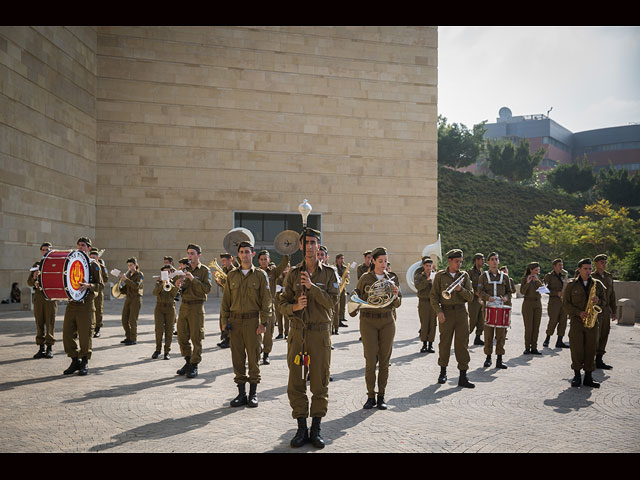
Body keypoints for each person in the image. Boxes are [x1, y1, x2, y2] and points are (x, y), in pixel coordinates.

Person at [278, 228, 338, 449]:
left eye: (314, 242)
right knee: (297, 381)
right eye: (307, 243)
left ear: (319, 246)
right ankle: (301, 427)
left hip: (320, 335)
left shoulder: (329, 273)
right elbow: (281, 303)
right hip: (298, 334)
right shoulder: (293, 273)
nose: (311, 246)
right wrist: (295, 306)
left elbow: (332, 302)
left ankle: (316, 428)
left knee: (320, 382)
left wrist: (312, 288)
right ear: (301, 246)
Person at [220, 241, 272, 408]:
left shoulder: (260, 275)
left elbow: (266, 301)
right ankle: (241, 394)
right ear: (238, 255)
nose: (244, 255)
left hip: (252, 322)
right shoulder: (232, 276)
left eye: (247, 252)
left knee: (254, 358)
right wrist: (224, 321)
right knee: (238, 359)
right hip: (235, 323)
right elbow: (225, 301)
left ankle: (253, 394)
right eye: (241, 252)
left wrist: (263, 322)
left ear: (253, 254)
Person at [352, 247, 401, 410]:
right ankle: (370, 396)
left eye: (385, 261)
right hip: (368, 321)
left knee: (385, 361)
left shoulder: (392, 278)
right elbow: (356, 298)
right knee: (371, 361)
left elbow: (398, 304)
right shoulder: (365, 278)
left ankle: (381, 396)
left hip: (387, 321)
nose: (383, 264)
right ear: (373, 261)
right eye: (380, 261)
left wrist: (395, 294)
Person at [429, 249, 475, 388]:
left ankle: (463, 376)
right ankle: (443, 372)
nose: (459, 264)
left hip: (461, 312)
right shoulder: (440, 276)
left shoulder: (464, 276)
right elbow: (433, 296)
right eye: (457, 261)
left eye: (461, 261)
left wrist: (461, 290)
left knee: (462, 344)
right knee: (444, 343)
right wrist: (439, 312)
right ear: (450, 261)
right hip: (446, 313)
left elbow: (471, 297)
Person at [62, 237, 103, 376]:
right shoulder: (71, 262)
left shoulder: (93, 265)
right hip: (72, 305)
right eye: (78, 245)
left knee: (85, 336)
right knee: (67, 334)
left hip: (86, 306)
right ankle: (74, 360)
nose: (80, 247)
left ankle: (84, 361)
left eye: (83, 245)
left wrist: (89, 286)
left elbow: (100, 285)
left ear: (89, 248)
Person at [563, 258, 606, 388]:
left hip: (592, 322)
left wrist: (598, 301)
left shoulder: (597, 284)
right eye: (585, 269)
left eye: (590, 269)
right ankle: (577, 375)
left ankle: (588, 377)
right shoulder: (571, 285)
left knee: (591, 349)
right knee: (577, 349)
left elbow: (605, 301)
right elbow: (565, 304)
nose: (588, 271)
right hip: (577, 321)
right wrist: (578, 312)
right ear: (579, 269)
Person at [175, 244, 212, 379]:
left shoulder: (204, 271)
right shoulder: (184, 269)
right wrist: (178, 283)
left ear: (199, 255)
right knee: (182, 336)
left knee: (196, 337)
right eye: (188, 253)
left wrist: (192, 279)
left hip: (197, 307)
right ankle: (188, 361)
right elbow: (176, 288)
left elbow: (207, 289)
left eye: (192, 253)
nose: (189, 256)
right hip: (184, 306)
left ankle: (194, 364)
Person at [477, 252, 512, 369]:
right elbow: (480, 292)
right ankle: (488, 358)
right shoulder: (483, 276)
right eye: (492, 259)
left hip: (501, 309)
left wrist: (506, 298)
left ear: (499, 261)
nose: (494, 261)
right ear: (488, 262)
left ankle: (499, 359)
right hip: (488, 309)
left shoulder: (505, 277)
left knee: (501, 335)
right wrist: (488, 297)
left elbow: (509, 292)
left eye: (496, 259)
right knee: (488, 334)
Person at [256, 249, 289, 365]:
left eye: (266, 259)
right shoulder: (255, 272)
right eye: (261, 259)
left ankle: (266, 354)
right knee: (256, 331)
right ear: (259, 260)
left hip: (269, 307)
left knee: (269, 332)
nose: (264, 261)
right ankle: (257, 350)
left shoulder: (273, 272)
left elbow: (283, 265)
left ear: (269, 260)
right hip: (256, 307)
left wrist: (287, 252)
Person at [28, 242, 57, 359]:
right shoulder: (37, 264)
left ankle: (49, 348)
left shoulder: (55, 264)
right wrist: (34, 278)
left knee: (50, 323)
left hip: (50, 297)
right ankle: (41, 348)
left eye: (48, 249)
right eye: (44, 249)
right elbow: (29, 282)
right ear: (41, 251)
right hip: (39, 297)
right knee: (39, 323)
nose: (46, 251)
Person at [592, 254, 617, 370]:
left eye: (605, 262)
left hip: (606, 309)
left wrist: (614, 310)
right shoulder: (591, 276)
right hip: (595, 309)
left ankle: (599, 359)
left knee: (604, 334)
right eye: (602, 262)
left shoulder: (609, 276)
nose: (604, 264)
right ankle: (590, 359)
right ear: (596, 263)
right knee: (595, 334)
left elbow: (612, 295)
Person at [152, 265, 178, 360]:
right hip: (159, 307)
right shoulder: (158, 282)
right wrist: (162, 284)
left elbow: (175, 294)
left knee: (169, 330)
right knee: (158, 330)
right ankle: (157, 350)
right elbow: (155, 293)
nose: (166, 274)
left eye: (168, 272)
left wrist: (171, 284)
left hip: (170, 308)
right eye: (164, 272)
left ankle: (167, 351)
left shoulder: (174, 282)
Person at [543, 258, 570, 349]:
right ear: (554, 266)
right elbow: (545, 289)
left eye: (562, 265)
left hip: (563, 302)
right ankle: (547, 339)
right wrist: (556, 293)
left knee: (563, 321)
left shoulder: (563, 276)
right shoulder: (549, 276)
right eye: (559, 265)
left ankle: (559, 341)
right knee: (553, 321)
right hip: (554, 302)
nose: (561, 267)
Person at [119, 257, 143, 345]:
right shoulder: (128, 274)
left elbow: (135, 286)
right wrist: (120, 287)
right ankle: (128, 336)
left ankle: (133, 338)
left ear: (135, 265)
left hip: (136, 299)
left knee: (132, 320)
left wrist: (126, 280)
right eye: (128, 265)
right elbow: (127, 288)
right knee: (124, 319)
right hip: (128, 298)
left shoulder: (140, 275)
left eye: (131, 265)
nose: (129, 267)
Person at [414, 256, 436, 353]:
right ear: (423, 266)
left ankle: (430, 345)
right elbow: (418, 286)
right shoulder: (419, 276)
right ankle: (424, 344)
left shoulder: (435, 276)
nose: (428, 267)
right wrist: (427, 280)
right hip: (423, 302)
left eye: (430, 266)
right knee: (424, 324)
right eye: (427, 265)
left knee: (433, 324)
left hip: (433, 302)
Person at [520, 262, 543, 354]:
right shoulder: (524, 279)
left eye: (538, 270)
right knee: (529, 327)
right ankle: (527, 347)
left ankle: (534, 347)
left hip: (538, 303)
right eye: (536, 270)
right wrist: (528, 282)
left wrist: (537, 281)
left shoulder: (539, 279)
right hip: (528, 303)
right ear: (531, 270)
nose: (538, 272)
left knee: (536, 327)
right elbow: (522, 291)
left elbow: (542, 291)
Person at [217, 253, 236, 349]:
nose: (223, 263)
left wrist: (223, 282)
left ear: (230, 260)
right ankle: (224, 338)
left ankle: (229, 339)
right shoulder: (224, 270)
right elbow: (223, 285)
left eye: (224, 261)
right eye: (222, 261)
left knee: (229, 318)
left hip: (232, 298)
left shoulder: (234, 271)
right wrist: (218, 281)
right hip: (225, 297)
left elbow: (232, 285)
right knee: (222, 318)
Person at [467, 253, 485, 346]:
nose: (483, 261)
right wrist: (475, 292)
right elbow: (467, 286)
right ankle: (465, 337)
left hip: (481, 300)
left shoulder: (482, 273)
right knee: (473, 320)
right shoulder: (469, 272)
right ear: (476, 260)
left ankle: (478, 338)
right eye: (482, 259)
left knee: (481, 320)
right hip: (473, 300)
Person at [89, 248, 108, 338]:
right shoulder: (88, 265)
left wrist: (101, 267)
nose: (92, 258)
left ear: (97, 257)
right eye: (91, 257)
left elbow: (106, 278)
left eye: (94, 257)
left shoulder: (101, 265)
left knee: (98, 310)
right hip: (89, 290)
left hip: (98, 291)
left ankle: (97, 329)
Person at [275, 263, 291, 339]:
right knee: (279, 316)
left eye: (287, 266)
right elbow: (276, 287)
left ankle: (287, 332)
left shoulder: (290, 276)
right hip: (278, 298)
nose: (285, 268)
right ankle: (280, 332)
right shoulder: (279, 276)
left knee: (286, 317)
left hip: (286, 299)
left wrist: (283, 289)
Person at [334, 253, 349, 332]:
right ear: (337, 259)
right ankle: (336, 321)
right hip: (336, 288)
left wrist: (347, 277)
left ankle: (341, 319)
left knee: (342, 304)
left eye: (343, 259)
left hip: (343, 288)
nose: (342, 260)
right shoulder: (333, 267)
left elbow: (348, 280)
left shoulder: (345, 268)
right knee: (337, 305)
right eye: (341, 259)